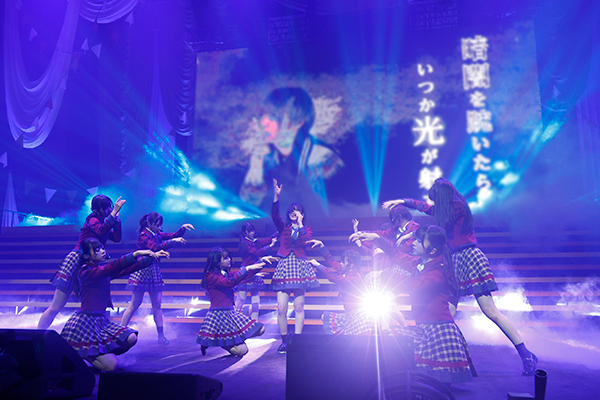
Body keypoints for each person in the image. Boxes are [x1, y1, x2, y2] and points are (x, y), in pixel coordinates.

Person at [382, 178, 538, 375]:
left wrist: (412, 234)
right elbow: (426, 209)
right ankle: (443, 361)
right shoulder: (447, 208)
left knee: (490, 311)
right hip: (454, 260)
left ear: (443, 197)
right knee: (447, 313)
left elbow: (437, 227)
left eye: (436, 200)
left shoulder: (457, 207)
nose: (434, 205)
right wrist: (402, 201)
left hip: (470, 257)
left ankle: (526, 354)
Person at [351, 225, 476, 384]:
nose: (414, 243)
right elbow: (397, 254)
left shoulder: (437, 271)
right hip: (425, 326)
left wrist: (382, 274)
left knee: (438, 380)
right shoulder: (422, 263)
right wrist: (377, 239)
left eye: (419, 240)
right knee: (428, 378)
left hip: (438, 331)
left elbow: (412, 284)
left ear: (432, 250)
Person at [60, 237, 169, 371]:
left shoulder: (100, 270)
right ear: (87, 256)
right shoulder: (87, 271)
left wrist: (152, 258)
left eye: (101, 248)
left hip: (100, 321)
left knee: (131, 338)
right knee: (112, 366)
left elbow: (127, 269)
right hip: (85, 324)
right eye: (96, 250)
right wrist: (136, 254)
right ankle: (82, 354)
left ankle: (95, 354)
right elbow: (113, 266)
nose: (102, 251)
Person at [240, 87, 343, 210]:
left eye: (273, 116)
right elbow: (248, 206)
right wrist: (256, 168)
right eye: (263, 115)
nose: (264, 122)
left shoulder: (322, 158)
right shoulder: (264, 158)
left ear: (298, 122)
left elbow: (340, 206)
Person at [38, 194, 125, 330]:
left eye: (110, 207)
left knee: (94, 304)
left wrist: (117, 220)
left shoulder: (104, 221)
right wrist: (113, 215)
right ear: (97, 209)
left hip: (91, 264)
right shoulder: (92, 219)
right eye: (107, 208)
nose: (110, 210)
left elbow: (117, 238)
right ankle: (38, 334)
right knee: (56, 307)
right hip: (76, 260)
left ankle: (94, 335)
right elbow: (101, 231)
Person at [120, 212, 195, 344]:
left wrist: (182, 229)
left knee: (157, 305)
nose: (159, 227)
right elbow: (155, 247)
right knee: (134, 304)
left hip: (153, 271)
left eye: (160, 225)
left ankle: (161, 336)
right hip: (142, 271)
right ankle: (119, 332)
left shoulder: (156, 233)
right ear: (149, 223)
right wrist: (172, 242)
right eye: (157, 225)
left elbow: (171, 235)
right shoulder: (143, 235)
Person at [196, 247, 276, 357]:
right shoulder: (210, 275)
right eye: (225, 258)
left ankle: (227, 339)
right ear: (217, 262)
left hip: (230, 312)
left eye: (228, 257)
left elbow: (242, 276)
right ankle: (219, 341)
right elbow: (229, 282)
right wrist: (247, 268)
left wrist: (261, 261)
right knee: (242, 351)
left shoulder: (225, 273)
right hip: (219, 316)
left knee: (260, 329)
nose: (229, 259)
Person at [271, 179, 320, 353]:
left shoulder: (307, 229)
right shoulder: (283, 228)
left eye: (297, 210)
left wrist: (300, 225)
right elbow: (274, 215)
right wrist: (276, 197)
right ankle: (284, 340)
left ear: (302, 214)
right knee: (281, 308)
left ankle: (297, 340)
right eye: (291, 211)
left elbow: (307, 241)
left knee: (299, 307)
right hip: (285, 266)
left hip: (299, 267)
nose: (294, 212)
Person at [306, 240, 376, 335]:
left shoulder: (355, 277)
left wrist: (318, 265)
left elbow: (333, 277)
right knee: (325, 317)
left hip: (359, 316)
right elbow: (333, 262)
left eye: (343, 261)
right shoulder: (347, 270)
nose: (340, 263)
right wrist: (322, 246)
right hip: (349, 314)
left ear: (351, 265)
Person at [235, 222, 278, 320]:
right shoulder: (245, 243)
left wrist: (276, 234)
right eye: (250, 231)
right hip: (247, 271)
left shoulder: (252, 241)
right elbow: (257, 252)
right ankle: (236, 320)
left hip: (255, 271)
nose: (252, 233)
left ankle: (254, 321)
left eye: (252, 230)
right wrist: (270, 246)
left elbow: (264, 241)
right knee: (241, 300)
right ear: (245, 232)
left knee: (256, 300)